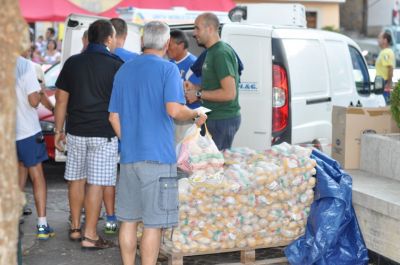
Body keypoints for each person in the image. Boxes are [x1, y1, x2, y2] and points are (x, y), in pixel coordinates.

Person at [108, 21, 207, 265]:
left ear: (142, 42)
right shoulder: (168, 69)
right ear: (166, 44)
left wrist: (130, 140)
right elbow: (174, 110)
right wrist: (194, 114)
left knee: (128, 221)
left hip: (130, 157)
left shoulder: (124, 70)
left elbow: (113, 116)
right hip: (159, 159)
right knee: (153, 225)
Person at [54, 19, 122, 249]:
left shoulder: (73, 63)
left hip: (75, 131)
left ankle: (75, 228)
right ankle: (90, 235)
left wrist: (58, 130)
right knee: (96, 183)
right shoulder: (116, 64)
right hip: (103, 133)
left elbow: (61, 99)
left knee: (75, 178)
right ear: (109, 39)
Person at [185, 12, 241, 151]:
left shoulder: (221, 53)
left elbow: (229, 93)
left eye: (197, 28)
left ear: (210, 29)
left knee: (214, 166)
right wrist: (194, 87)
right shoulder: (211, 52)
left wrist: (197, 94)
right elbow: (214, 86)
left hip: (222, 119)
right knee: (210, 165)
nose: (194, 33)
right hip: (214, 118)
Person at [15, 55, 55, 240]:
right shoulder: (24, 66)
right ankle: (41, 224)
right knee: (37, 176)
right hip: (26, 131)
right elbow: (33, 100)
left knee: (17, 172)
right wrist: (39, 95)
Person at [167, 29, 202, 143]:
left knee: (184, 153)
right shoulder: (169, 64)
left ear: (181, 45)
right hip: (173, 116)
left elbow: (192, 95)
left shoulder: (194, 64)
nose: (167, 48)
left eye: (170, 44)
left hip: (189, 117)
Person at [376, 31, 396, 105]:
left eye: (379, 38)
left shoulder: (386, 53)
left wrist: (388, 83)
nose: (377, 40)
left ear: (385, 40)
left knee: (383, 104)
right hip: (381, 82)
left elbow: (390, 68)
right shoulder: (384, 52)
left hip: (384, 82)